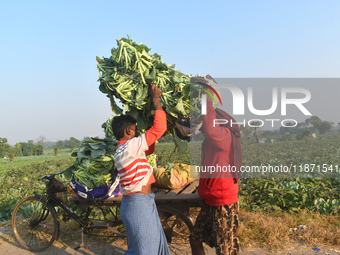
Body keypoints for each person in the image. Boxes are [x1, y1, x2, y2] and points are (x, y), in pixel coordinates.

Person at [112, 84, 170, 255]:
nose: (137, 133)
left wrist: (148, 123)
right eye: (135, 130)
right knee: (145, 251)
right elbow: (160, 128)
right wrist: (155, 99)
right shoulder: (130, 147)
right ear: (129, 130)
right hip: (138, 204)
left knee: (147, 247)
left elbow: (150, 148)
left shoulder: (122, 150)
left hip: (139, 202)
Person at [189, 91, 241, 255]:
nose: (203, 127)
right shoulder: (210, 142)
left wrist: (206, 100)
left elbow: (211, 130)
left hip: (222, 201)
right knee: (195, 238)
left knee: (224, 249)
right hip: (211, 198)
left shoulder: (225, 136)